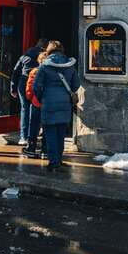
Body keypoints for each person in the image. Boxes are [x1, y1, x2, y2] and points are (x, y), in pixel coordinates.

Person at [32, 40, 80, 171]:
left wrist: (42, 98)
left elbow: (36, 86)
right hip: (65, 103)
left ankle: (53, 162)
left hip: (49, 102)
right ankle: (58, 159)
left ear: (49, 50)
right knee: (61, 133)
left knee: (50, 133)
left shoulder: (44, 66)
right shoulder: (70, 65)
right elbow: (76, 84)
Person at [10, 38, 47, 145]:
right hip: (38, 82)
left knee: (25, 109)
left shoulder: (25, 55)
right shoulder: (45, 57)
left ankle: (23, 136)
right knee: (37, 108)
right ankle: (35, 135)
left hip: (23, 82)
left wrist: (13, 87)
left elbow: (16, 71)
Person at [23, 51, 47, 158]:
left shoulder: (35, 71)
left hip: (36, 102)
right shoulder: (51, 72)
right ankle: (45, 149)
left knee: (33, 125)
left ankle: (31, 147)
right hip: (47, 103)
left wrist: (29, 98)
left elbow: (29, 87)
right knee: (46, 125)